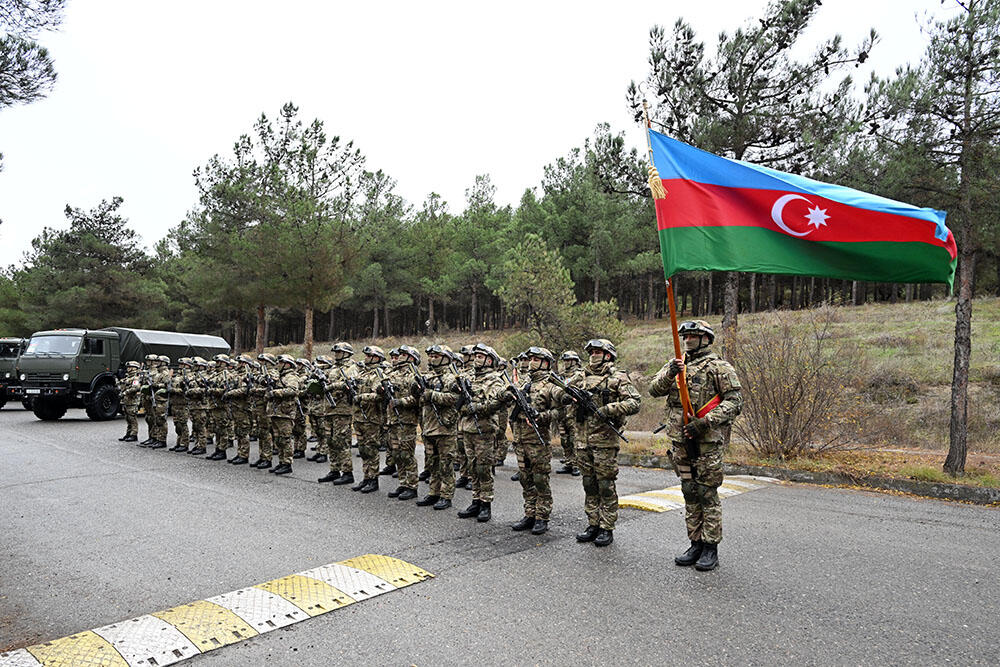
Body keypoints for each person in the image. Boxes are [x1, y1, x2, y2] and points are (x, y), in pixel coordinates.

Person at [648, 320, 742, 572]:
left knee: (707, 494)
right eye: (685, 336)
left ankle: (711, 547)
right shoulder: (676, 364)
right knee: (689, 492)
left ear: (706, 339)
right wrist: (670, 372)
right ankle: (695, 543)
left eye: (693, 336)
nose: (687, 340)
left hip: (706, 442)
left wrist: (705, 422)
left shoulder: (718, 367)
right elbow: (653, 390)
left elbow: (735, 401)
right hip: (680, 441)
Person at [570, 339, 641, 547]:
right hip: (583, 441)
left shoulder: (617, 378)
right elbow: (559, 394)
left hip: (605, 442)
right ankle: (593, 523)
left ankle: (606, 527)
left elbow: (635, 402)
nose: (593, 355)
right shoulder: (579, 377)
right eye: (591, 352)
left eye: (597, 352)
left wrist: (610, 409)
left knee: (605, 485)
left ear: (608, 355)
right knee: (589, 484)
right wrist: (569, 398)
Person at [508, 347, 562, 535]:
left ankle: (542, 516)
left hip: (538, 441)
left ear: (545, 363)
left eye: (536, 359)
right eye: (530, 359)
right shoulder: (525, 382)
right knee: (525, 478)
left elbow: (560, 411)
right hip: (520, 439)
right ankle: (529, 513)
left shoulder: (551, 385)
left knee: (540, 479)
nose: (531, 362)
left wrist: (541, 416)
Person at [455, 343, 507, 523]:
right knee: (472, 467)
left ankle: (486, 504)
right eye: (475, 356)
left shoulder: (495, 379)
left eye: (480, 356)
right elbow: (457, 400)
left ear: (489, 360)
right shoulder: (468, 377)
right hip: (467, 428)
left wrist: (476, 407)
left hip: (483, 430)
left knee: (483, 468)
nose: (476, 359)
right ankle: (475, 500)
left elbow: (496, 403)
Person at [415, 345, 461, 510]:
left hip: (445, 428)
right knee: (432, 464)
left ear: (446, 358)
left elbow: (455, 398)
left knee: (446, 465)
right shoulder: (428, 377)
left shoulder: (452, 378)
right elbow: (420, 399)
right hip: (429, 427)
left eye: (436, 356)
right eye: (431, 356)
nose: (432, 358)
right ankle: (433, 492)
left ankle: (446, 496)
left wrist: (432, 395)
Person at [317, 342, 358, 485]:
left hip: (342, 410)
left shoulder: (352, 368)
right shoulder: (333, 368)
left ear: (346, 353)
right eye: (336, 352)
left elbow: (351, 384)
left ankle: (347, 472)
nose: (336, 355)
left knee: (342, 441)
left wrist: (332, 386)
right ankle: (334, 469)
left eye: (339, 352)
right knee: (330, 441)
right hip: (329, 409)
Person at [384, 345, 421, 500]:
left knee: (407, 455)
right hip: (393, 419)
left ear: (411, 358)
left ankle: (412, 486)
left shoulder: (414, 375)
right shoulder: (392, 373)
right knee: (397, 454)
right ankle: (403, 482)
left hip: (406, 420)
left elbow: (418, 398)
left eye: (402, 354)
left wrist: (401, 402)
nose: (398, 357)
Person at [352, 346, 389, 493]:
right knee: (363, 449)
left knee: (371, 449)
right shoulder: (362, 373)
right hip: (360, 417)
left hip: (371, 417)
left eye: (369, 355)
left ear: (376, 358)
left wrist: (361, 397)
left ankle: (373, 480)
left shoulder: (379, 374)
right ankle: (366, 477)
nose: (365, 357)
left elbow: (380, 396)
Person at [267, 354, 303, 476]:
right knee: (278, 438)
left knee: (286, 438)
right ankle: (281, 462)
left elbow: (293, 390)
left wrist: (275, 392)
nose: (278, 365)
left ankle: (287, 464)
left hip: (285, 412)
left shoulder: (291, 376)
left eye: (281, 363)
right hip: (277, 411)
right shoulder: (280, 376)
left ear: (287, 364)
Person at [554, 351, 582, 476]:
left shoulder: (580, 375)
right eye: (564, 360)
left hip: (574, 412)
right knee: (564, 439)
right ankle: (569, 462)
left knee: (574, 438)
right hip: (562, 412)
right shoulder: (560, 376)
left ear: (575, 361)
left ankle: (577, 464)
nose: (565, 363)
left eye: (568, 360)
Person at [168, 358, 193, 452]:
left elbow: (185, 390)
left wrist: (173, 390)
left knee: (183, 424)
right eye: (180, 364)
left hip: (183, 403)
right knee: (177, 425)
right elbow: (170, 384)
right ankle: (178, 443)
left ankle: (184, 443)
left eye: (183, 364)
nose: (180, 366)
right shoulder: (178, 375)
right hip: (175, 403)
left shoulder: (189, 376)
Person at [117, 360, 141, 442]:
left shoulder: (135, 378)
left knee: (132, 418)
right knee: (127, 418)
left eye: (130, 367)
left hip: (132, 401)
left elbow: (135, 388)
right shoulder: (127, 377)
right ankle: (128, 433)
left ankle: (134, 434)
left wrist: (125, 392)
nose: (128, 369)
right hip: (126, 401)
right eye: (128, 367)